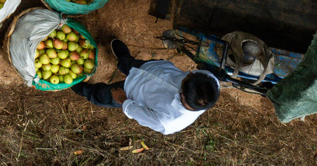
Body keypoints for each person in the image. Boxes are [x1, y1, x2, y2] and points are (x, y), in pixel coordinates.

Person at [70, 39, 220, 135]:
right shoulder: (209, 80)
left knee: (103, 95)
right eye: (190, 74)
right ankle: (124, 59)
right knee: (132, 64)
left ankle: (85, 91)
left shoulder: (168, 122)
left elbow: (139, 113)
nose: (187, 73)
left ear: (182, 95)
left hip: (132, 92)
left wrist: (122, 99)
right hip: (153, 69)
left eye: (186, 78)